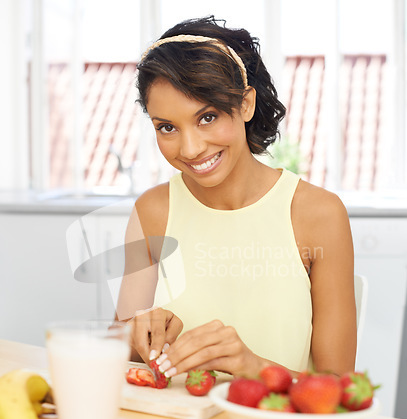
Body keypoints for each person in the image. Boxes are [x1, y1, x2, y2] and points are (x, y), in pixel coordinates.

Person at [115, 16, 356, 379]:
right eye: (167, 127)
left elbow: (338, 389)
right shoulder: (151, 212)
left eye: (207, 117)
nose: (191, 148)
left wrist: (253, 367)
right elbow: (117, 350)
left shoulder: (318, 215)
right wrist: (136, 334)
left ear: (245, 105)